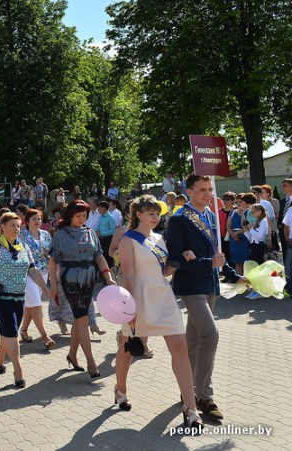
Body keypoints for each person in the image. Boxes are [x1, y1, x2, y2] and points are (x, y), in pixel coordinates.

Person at [114, 195, 203, 431]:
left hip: (163, 299)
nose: (155, 217)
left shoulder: (159, 239)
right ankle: (120, 390)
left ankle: (191, 408)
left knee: (180, 350)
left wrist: (181, 259)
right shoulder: (128, 240)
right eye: (150, 213)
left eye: (157, 214)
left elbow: (163, 272)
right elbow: (130, 276)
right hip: (138, 299)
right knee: (127, 348)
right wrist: (130, 307)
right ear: (138, 215)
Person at [166, 174, 244, 421]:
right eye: (202, 190)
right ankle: (204, 395)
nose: (208, 194)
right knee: (210, 334)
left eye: (210, 189)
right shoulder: (179, 218)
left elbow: (217, 253)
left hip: (211, 283)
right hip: (190, 286)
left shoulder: (211, 214)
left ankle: (186, 390)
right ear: (189, 191)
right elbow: (176, 257)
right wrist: (205, 262)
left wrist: (232, 274)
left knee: (194, 340)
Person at [0, 212, 51, 388]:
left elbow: (32, 270)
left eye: (18, 226)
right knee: (11, 333)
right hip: (2, 298)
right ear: (2, 227)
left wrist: (45, 288)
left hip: (19, 298)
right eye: (12, 225)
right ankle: (18, 371)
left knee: (8, 335)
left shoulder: (24, 247)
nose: (16, 229)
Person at [49, 200, 115, 378]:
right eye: (78, 216)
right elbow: (52, 260)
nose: (81, 219)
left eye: (84, 216)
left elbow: (99, 256)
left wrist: (108, 276)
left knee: (80, 320)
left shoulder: (90, 232)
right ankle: (91, 361)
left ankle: (72, 354)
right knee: (82, 318)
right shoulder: (60, 234)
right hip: (69, 279)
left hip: (89, 279)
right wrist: (54, 286)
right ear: (70, 215)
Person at [18, 209, 55, 350]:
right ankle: (45, 337)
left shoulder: (45, 235)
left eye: (38, 218)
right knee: (36, 303)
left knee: (31, 304)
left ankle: (24, 330)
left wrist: (48, 254)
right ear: (27, 221)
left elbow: (52, 252)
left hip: (43, 272)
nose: (37, 221)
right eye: (34, 219)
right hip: (27, 273)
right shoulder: (21, 235)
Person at [96, 201, 117, 267]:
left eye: (99, 208)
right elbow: (99, 227)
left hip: (108, 240)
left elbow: (113, 230)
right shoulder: (100, 217)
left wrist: (102, 233)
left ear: (104, 208)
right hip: (100, 239)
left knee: (108, 257)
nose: (98, 210)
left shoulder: (110, 217)